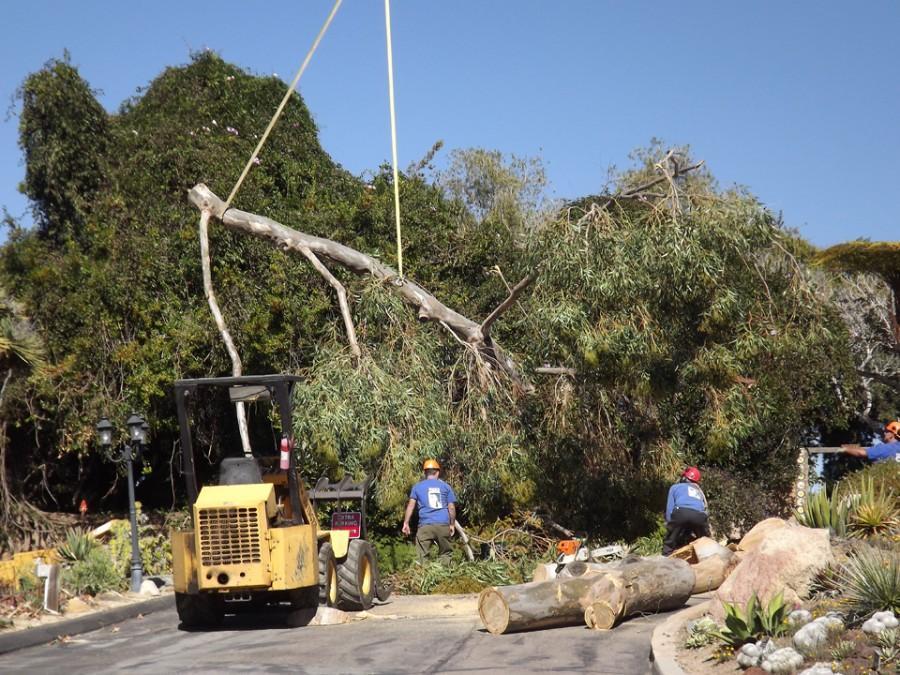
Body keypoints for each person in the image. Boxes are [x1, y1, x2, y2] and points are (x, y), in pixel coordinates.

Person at [402, 459, 458, 563]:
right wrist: (452, 524)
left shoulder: (417, 487)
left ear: (425, 472)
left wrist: (406, 523)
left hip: (425, 526)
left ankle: (423, 576)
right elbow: (451, 508)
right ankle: (444, 576)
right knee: (445, 554)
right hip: (442, 525)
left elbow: (410, 506)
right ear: (438, 472)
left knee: (421, 557)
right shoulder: (446, 487)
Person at [663, 466, 710, 556]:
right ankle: (709, 557)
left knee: (669, 541)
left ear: (684, 478)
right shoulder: (699, 491)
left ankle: (666, 558)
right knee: (705, 540)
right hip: (699, 515)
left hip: (681, 513)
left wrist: (671, 526)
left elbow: (669, 508)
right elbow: (705, 509)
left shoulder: (675, 487)